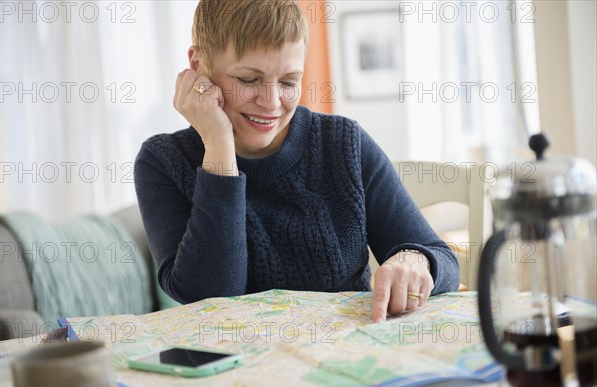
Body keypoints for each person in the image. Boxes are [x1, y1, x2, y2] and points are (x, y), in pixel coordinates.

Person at [134, 0, 459, 323]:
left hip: (345, 356)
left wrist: (416, 261)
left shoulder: (344, 143)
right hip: (235, 365)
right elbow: (211, 301)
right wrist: (218, 146)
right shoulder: (162, 161)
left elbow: (441, 258)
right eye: (249, 80)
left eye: (289, 81)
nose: (272, 102)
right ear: (198, 64)